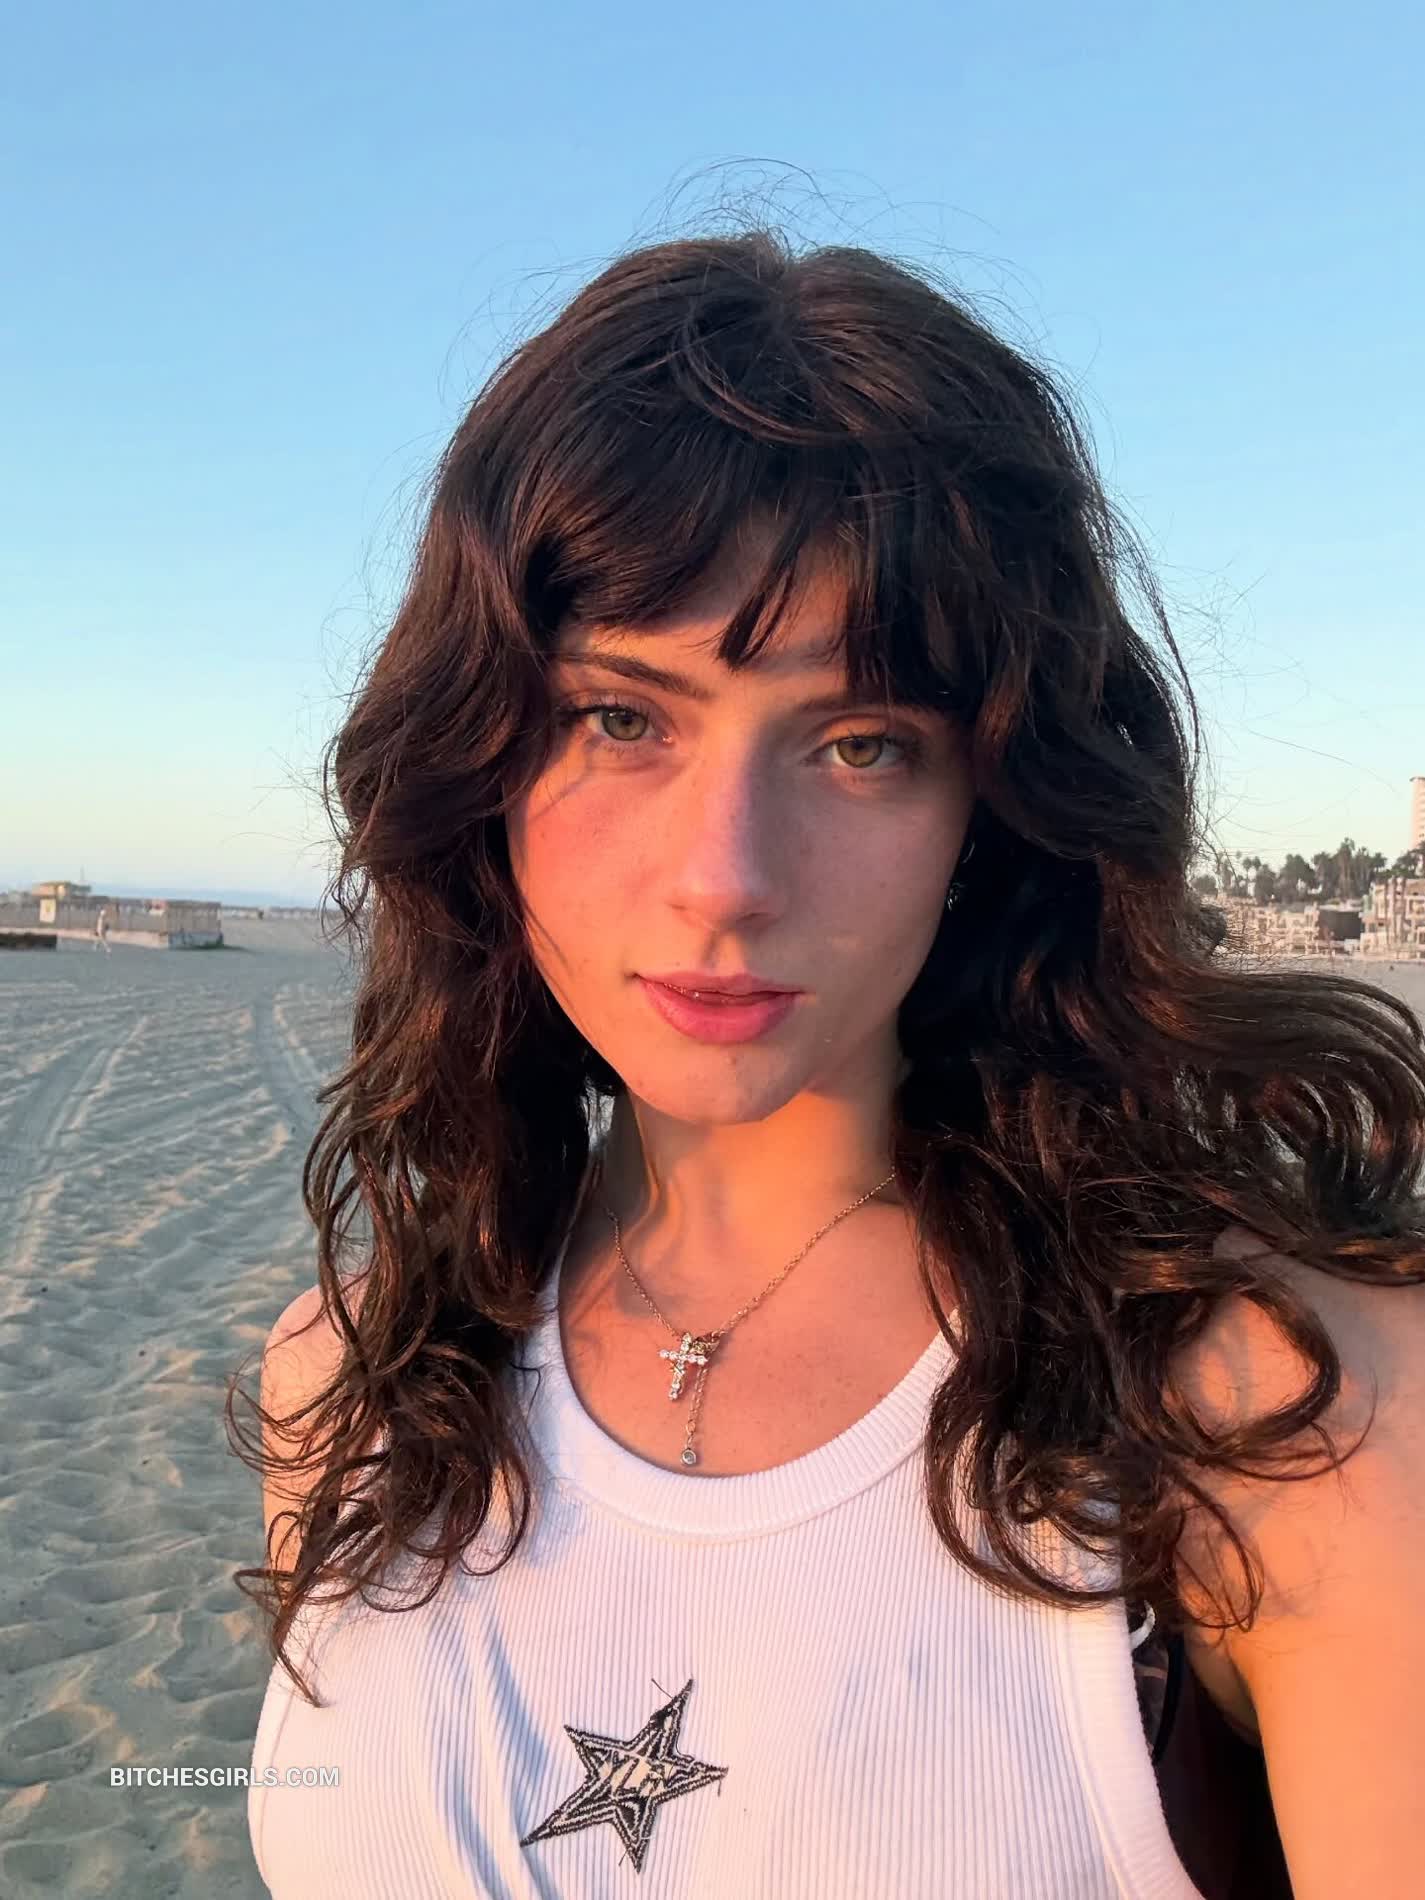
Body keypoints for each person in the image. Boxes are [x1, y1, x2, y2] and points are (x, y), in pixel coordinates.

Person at [231, 229, 1425, 1899]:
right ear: (477, 766)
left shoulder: (1283, 1412)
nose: (725, 875)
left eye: (860, 744)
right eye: (618, 719)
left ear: (988, 809)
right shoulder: (347, 1388)